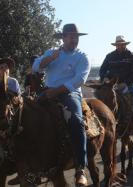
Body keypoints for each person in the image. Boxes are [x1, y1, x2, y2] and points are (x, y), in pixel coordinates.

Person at [32, 23, 90, 186]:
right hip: (48, 91)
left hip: (69, 93)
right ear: (63, 38)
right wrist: (49, 59)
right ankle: (32, 167)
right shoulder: (52, 52)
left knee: (77, 121)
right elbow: (35, 67)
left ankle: (80, 168)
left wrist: (56, 91)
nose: (74, 39)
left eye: (76, 36)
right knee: (26, 117)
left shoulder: (82, 57)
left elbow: (79, 80)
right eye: (71, 36)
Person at [99, 35, 133, 131]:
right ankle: (100, 120)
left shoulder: (132, 56)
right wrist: (104, 78)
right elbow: (102, 70)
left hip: (127, 84)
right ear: (115, 45)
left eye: (122, 44)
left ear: (125, 45)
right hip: (111, 84)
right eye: (118, 45)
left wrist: (126, 83)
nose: (120, 46)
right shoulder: (109, 56)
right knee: (99, 96)